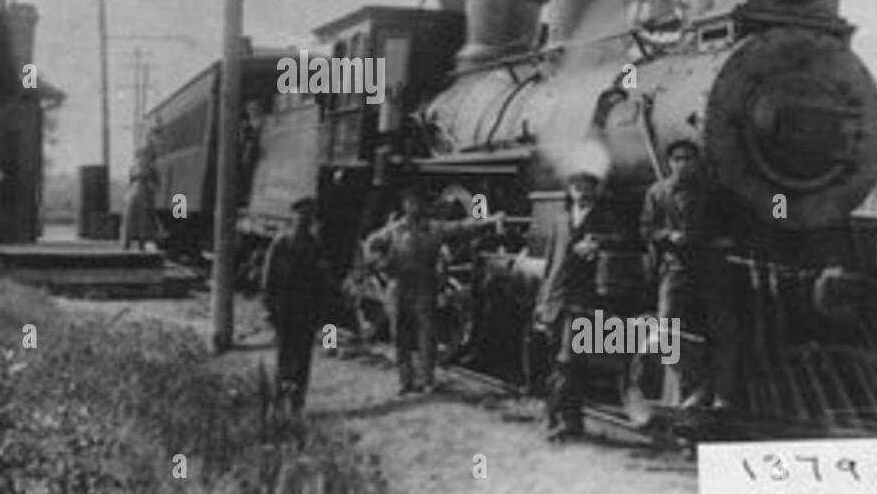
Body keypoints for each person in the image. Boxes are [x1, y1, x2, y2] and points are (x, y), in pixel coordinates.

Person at [367, 185, 504, 396]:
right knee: (400, 338)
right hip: (399, 287)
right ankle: (405, 381)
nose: (413, 207)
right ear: (404, 206)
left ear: (422, 206)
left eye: (417, 203)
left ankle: (427, 380)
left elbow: (461, 227)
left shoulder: (434, 228)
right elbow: (371, 244)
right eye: (409, 203)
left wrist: (488, 220)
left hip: (424, 288)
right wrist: (382, 265)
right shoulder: (394, 230)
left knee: (426, 337)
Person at [640, 139, 737, 409]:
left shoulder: (715, 192)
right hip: (676, 268)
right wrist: (668, 235)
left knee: (722, 331)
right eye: (677, 159)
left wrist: (724, 240)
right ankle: (697, 383)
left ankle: (723, 394)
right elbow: (647, 229)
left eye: (688, 159)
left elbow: (736, 224)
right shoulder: (657, 193)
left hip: (712, 268)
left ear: (697, 162)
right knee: (666, 330)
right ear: (670, 163)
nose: (682, 164)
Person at [532, 170, 621, 440]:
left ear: (595, 191)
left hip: (584, 300)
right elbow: (551, 262)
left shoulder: (605, 219)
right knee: (560, 361)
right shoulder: (560, 220)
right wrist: (542, 299)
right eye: (577, 188)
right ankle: (572, 420)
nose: (582, 193)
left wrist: (599, 242)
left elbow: (626, 237)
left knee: (568, 361)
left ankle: (556, 419)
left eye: (587, 188)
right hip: (556, 297)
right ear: (570, 191)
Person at [261, 196, 333, 415]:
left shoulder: (315, 246)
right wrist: (269, 309)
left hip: (306, 309)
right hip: (285, 308)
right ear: (294, 216)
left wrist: (321, 313)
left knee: (302, 359)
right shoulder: (281, 243)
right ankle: (278, 403)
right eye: (301, 214)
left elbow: (322, 282)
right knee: (284, 357)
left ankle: (297, 403)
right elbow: (268, 278)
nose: (304, 219)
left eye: (308, 215)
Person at [121, 144, 162, 250]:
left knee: (143, 220)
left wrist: (151, 189)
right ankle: (126, 243)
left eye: (144, 155)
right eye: (140, 155)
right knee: (129, 218)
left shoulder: (151, 168)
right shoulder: (134, 167)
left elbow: (157, 183)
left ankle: (141, 244)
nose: (142, 158)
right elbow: (130, 181)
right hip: (134, 193)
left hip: (145, 193)